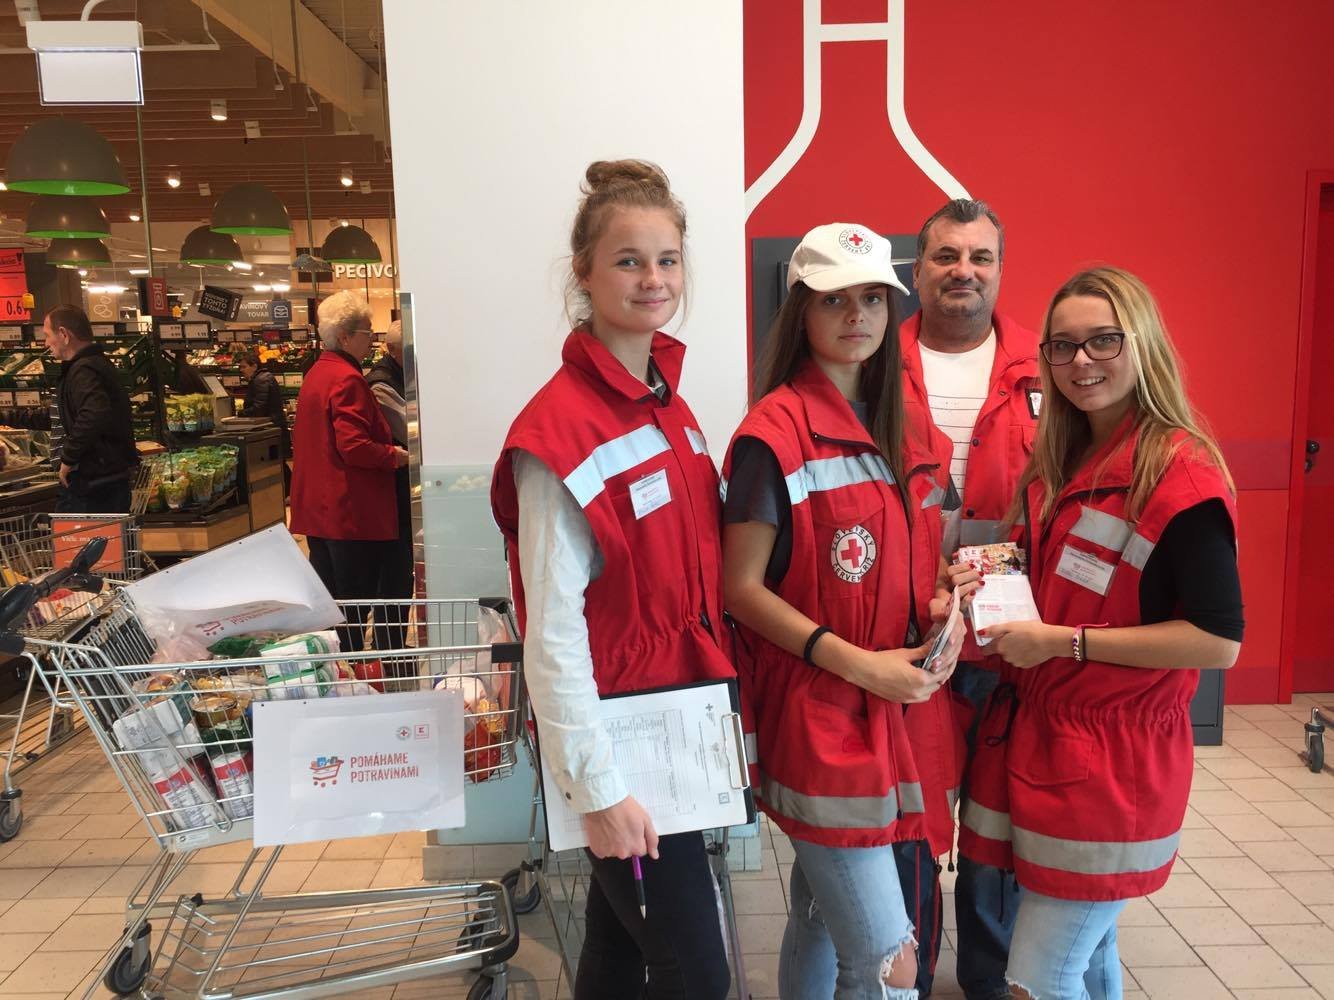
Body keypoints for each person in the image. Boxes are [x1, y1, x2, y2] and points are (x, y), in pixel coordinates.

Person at [955, 267, 1243, 999]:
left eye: (1103, 341)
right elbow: (1045, 574)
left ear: (1142, 344)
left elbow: (1218, 640)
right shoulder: (1061, 461)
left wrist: (1063, 641)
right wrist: (979, 588)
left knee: (1038, 977)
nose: (1081, 361)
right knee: (1088, 957)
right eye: (1062, 346)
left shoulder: (1180, 476)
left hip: (1114, 757)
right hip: (1043, 735)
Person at [490, 160, 734, 1000]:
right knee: (697, 974)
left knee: (620, 951)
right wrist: (596, 788)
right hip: (624, 747)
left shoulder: (669, 405)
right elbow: (552, 631)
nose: (653, 279)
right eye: (629, 260)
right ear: (584, 273)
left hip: (678, 727)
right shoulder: (556, 431)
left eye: (667, 259)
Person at [721, 223, 967, 1000]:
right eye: (834, 299)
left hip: (903, 710)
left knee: (821, 919)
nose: (856, 314)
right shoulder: (774, 436)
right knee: (891, 963)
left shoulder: (912, 427)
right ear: (801, 310)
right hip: (825, 716)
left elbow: (921, 555)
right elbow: (740, 589)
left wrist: (942, 599)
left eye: (872, 298)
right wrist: (857, 662)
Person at [899, 199, 1040, 998]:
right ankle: (908, 976)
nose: (964, 271)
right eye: (947, 255)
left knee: (995, 831)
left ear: (999, 269)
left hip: (1008, 645)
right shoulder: (876, 363)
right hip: (906, 639)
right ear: (918, 269)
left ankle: (989, 980)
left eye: (980, 257)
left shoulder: (1043, 368)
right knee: (911, 824)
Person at [289, 291, 408, 654]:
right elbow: (354, 446)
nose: (371, 340)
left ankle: (339, 670)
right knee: (355, 606)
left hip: (319, 513)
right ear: (344, 336)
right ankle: (355, 671)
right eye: (366, 332)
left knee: (334, 606)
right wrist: (393, 456)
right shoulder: (347, 379)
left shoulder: (317, 373)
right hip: (349, 514)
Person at [44, 305, 138, 513]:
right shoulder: (90, 366)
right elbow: (61, 414)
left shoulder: (83, 369)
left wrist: (68, 458)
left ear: (64, 334)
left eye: (47, 335)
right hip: (101, 479)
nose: (46, 343)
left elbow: (94, 412)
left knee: (84, 534)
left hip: (92, 483)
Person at [366, 321, 413, 657]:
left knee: (398, 572)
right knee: (393, 573)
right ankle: (389, 649)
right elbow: (409, 429)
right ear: (393, 350)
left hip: (396, 491)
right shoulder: (381, 383)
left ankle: (392, 645)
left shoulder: (395, 377)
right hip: (391, 494)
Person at [238, 349, 291, 494]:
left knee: (278, 461)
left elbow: (259, 408)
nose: (241, 370)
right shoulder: (262, 378)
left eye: (244, 367)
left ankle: (289, 492)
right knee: (279, 461)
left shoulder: (261, 380)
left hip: (271, 427)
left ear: (254, 366)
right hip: (274, 426)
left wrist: (241, 414)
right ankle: (288, 492)